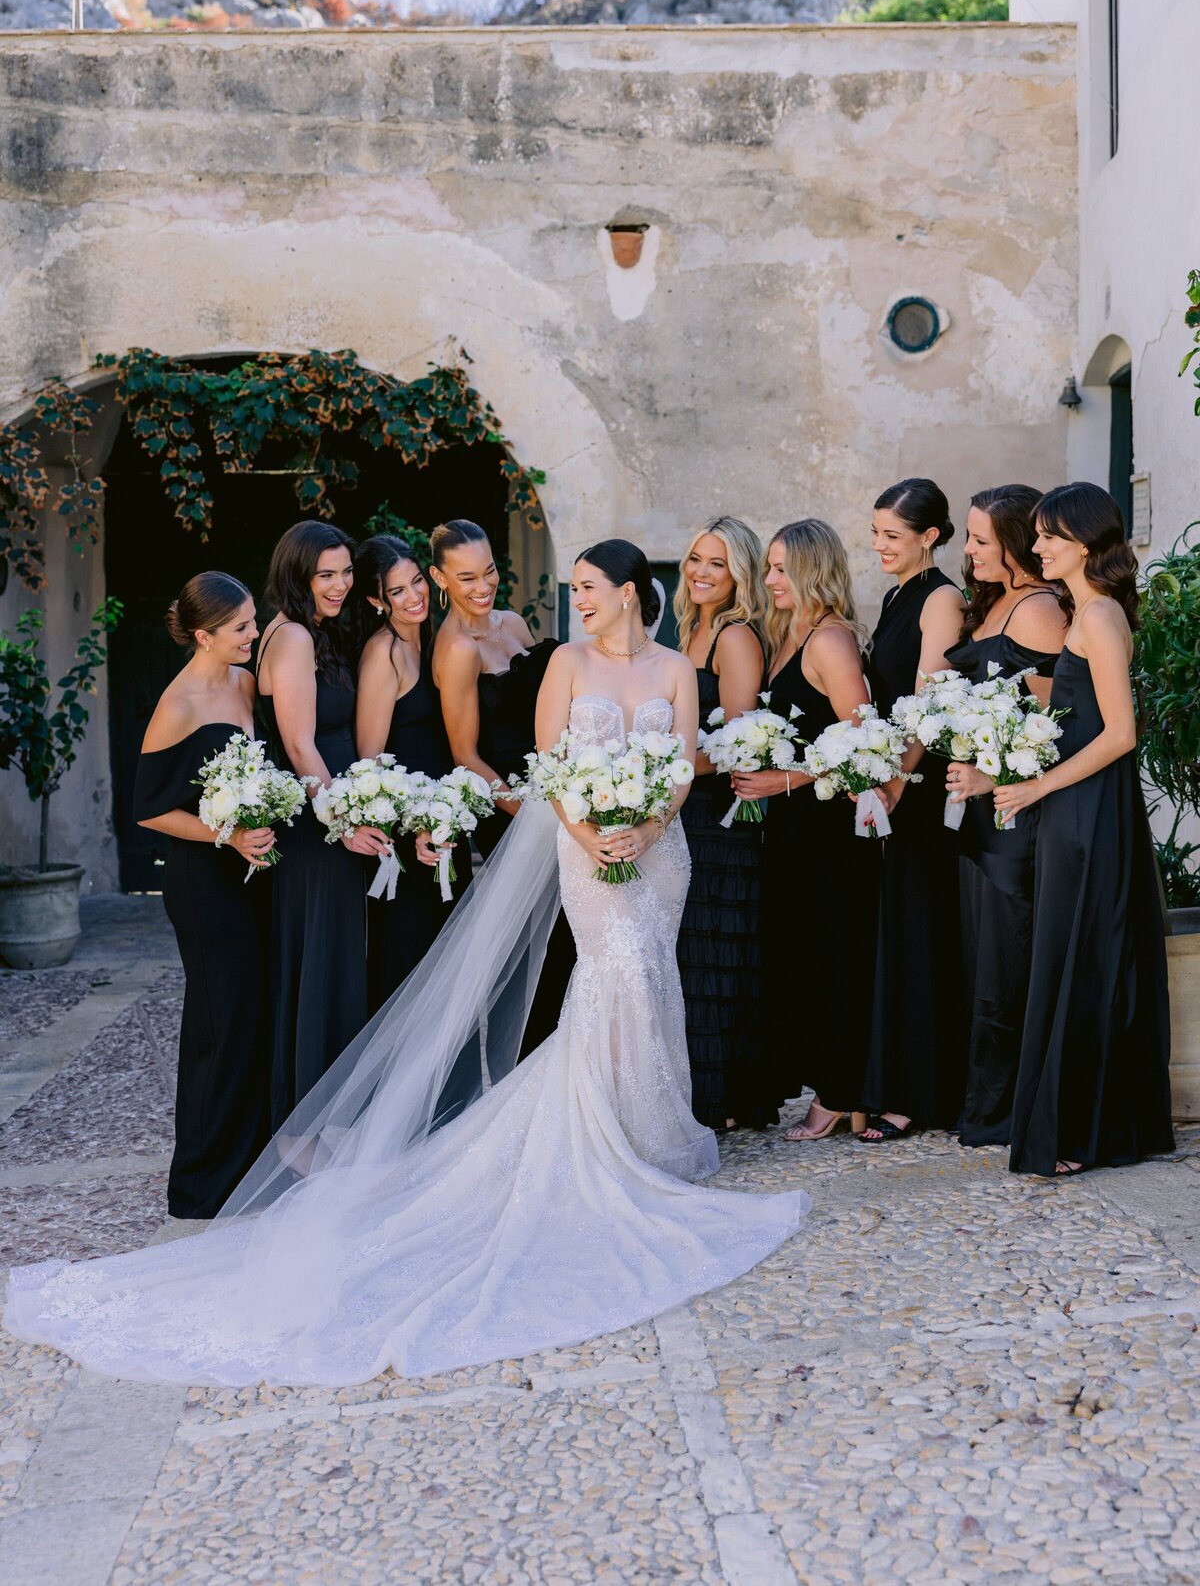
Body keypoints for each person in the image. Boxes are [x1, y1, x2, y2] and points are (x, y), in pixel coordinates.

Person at [5, 538, 811, 1386]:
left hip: (659, 845)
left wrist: (647, 824)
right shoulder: (559, 660)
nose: (573, 599)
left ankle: (653, 1124)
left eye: (585, 587)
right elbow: (550, 766)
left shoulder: (673, 667)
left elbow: (681, 761)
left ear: (626, 592)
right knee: (610, 972)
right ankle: (601, 1131)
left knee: (654, 977)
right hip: (584, 839)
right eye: (569, 586)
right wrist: (592, 828)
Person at [996, 483, 1173, 1177]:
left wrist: (1039, 783)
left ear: (1085, 542)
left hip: (1090, 810)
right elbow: (1077, 714)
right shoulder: (1083, 613)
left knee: (1084, 958)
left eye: (1047, 535)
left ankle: (1080, 1130)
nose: (1035, 546)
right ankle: (1079, 1124)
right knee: (1072, 956)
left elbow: (1120, 733)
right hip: (1077, 806)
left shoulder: (1099, 616)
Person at [733, 520, 880, 1140]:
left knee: (833, 957)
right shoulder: (787, 635)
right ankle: (823, 1081)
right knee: (799, 956)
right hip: (793, 832)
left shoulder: (831, 641)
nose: (770, 580)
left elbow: (865, 744)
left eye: (780, 568)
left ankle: (839, 1091)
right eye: (768, 568)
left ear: (813, 569)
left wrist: (784, 780)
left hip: (829, 830)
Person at [132, 573, 273, 1218]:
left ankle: (250, 1161)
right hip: (202, 880)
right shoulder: (178, 703)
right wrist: (229, 834)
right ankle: (200, 1181)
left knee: (254, 1014)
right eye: (241, 627)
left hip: (253, 874)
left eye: (252, 620)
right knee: (218, 1022)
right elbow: (149, 809)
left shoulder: (245, 683)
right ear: (202, 635)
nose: (253, 634)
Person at [942, 486, 1068, 1148]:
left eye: (979, 539)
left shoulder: (1043, 610)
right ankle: (985, 1104)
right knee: (980, 963)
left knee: (1007, 963)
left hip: (1017, 818)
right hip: (977, 816)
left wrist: (994, 774)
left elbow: (1058, 727)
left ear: (1016, 541)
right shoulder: (993, 605)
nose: (968, 551)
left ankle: (1010, 1110)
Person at [256, 520, 390, 1124]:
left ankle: (323, 1124)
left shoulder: (311, 632)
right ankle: (303, 1134)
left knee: (330, 968)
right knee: (318, 972)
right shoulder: (292, 640)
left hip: (323, 823)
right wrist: (340, 824)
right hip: (314, 835)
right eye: (325, 574)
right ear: (297, 574)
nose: (339, 585)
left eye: (345, 572)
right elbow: (301, 745)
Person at [430, 516, 571, 1053]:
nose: (483, 586)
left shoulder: (512, 623)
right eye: (466, 578)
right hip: (508, 809)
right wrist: (534, 813)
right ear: (440, 578)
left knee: (570, 935)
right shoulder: (458, 649)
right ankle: (529, 1070)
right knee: (537, 947)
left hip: (551, 792)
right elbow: (465, 755)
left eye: (488, 572)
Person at [860, 479, 965, 1142]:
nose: (879, 546)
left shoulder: (943, 598)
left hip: (924, 791)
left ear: (929, 536)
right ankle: (898, 1081)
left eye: (892, 535)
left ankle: (924, 1093)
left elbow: (930, 701)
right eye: (875, 533)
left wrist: (896, 779)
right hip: (894, 780)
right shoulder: (894, 595)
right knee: (897, 931)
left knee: (925, 933)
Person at [674, 516, 773, 1131]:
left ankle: (723, 1101)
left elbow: (738, 739)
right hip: (684, 808)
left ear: (741, 573)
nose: (702, 572)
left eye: (717, 563)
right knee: (688, 953)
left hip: (718, 815)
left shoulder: (735, 637)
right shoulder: (690, 629)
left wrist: (673, 771)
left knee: (714, 953)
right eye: (695, 560)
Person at [353, 535, 470, 1016]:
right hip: (407, 842)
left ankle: (451, 1093)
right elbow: (369, 762)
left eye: (417, 580)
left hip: (447, 826)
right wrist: (415, 825)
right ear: (377, 601)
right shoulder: (383, 654)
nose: (414, 596)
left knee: (452, 969)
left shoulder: (439, 637)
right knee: (411, 968)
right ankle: (399, 1092)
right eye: (397, 591)